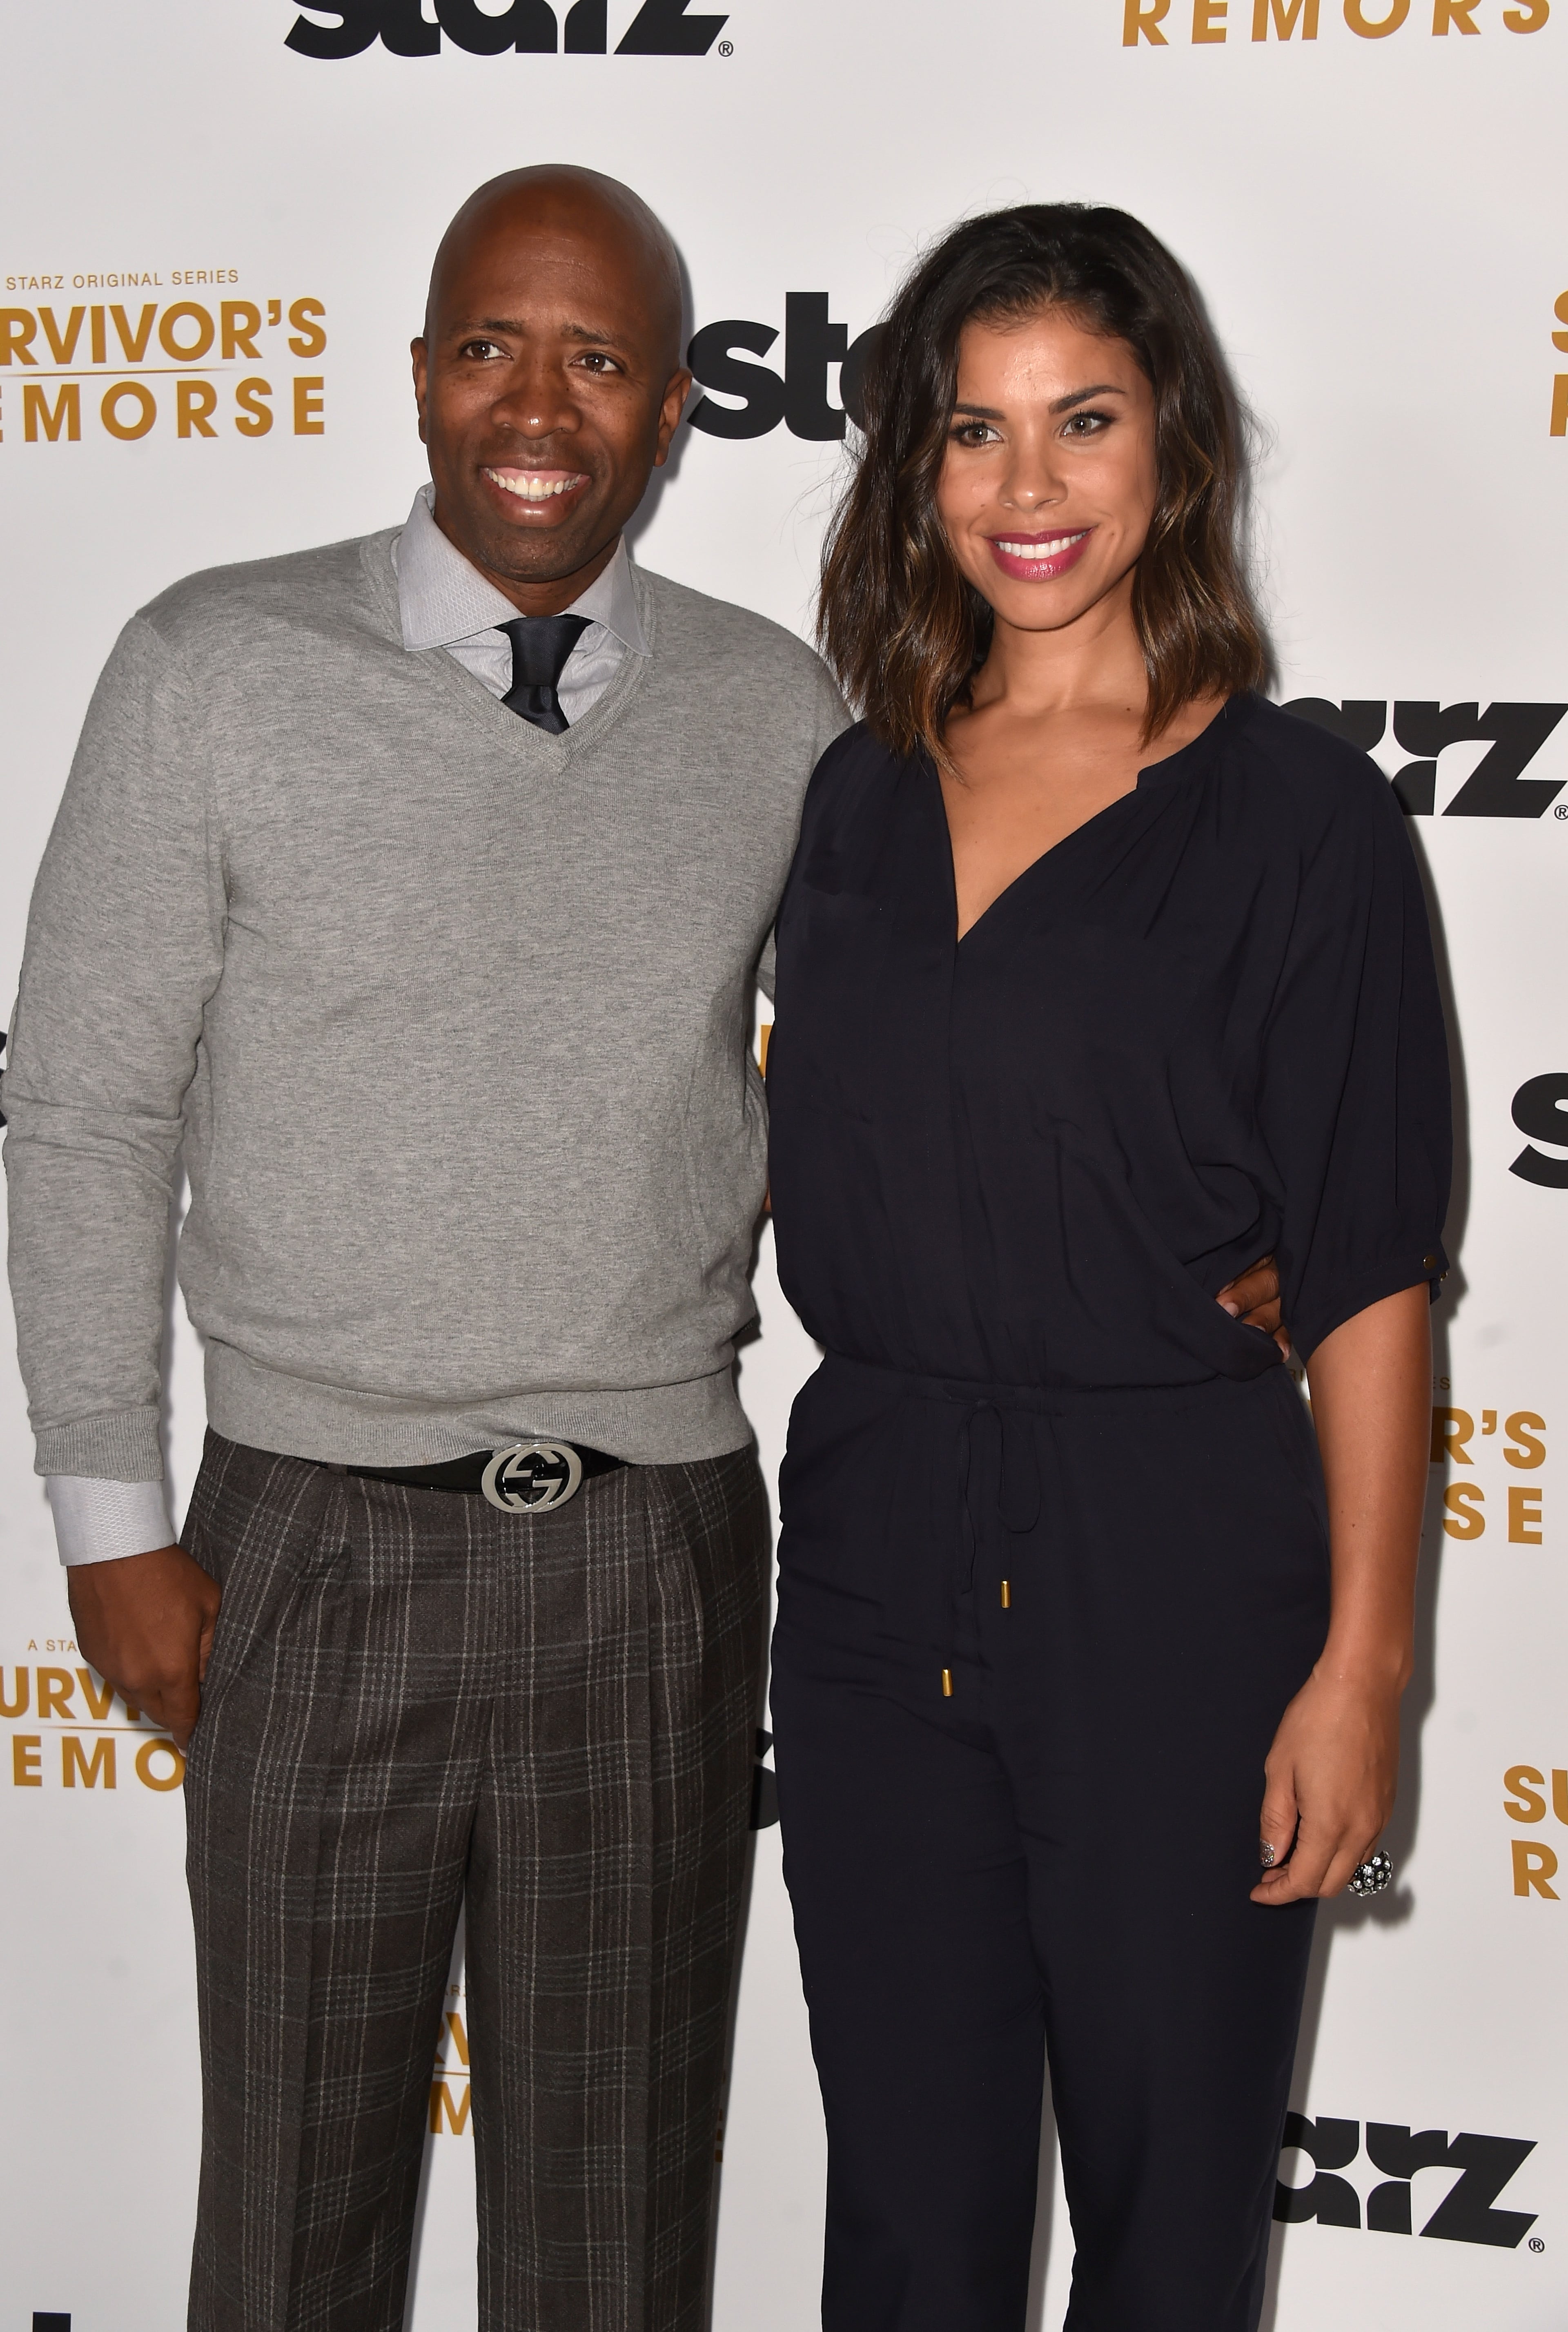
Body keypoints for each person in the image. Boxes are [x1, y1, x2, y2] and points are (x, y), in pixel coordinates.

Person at [3, 165, 853, 2332]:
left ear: (675, 404)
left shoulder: (782, 717)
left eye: (593, 356)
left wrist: (1179, 1250)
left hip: (651, 1557)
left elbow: (906, 1076)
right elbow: (88, 1101)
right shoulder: (211, 662)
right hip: (303, 1548)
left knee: (611, 2243)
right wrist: (112, 1520)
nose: (535, 402)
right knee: (292, 2233)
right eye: (491, 343)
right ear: (419, 376)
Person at [764, 203, 1449, 2332]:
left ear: (1181, 449)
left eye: (1085, 421)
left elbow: (1361, 1273)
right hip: (874, 1550)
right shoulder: (855, 800)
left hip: (1173, 1565)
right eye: (974, 434)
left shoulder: (1302, 827)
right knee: (904, 2215)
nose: (1027, 488)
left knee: (1170, 2227)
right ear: (918, 468)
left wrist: (1367, 1667)